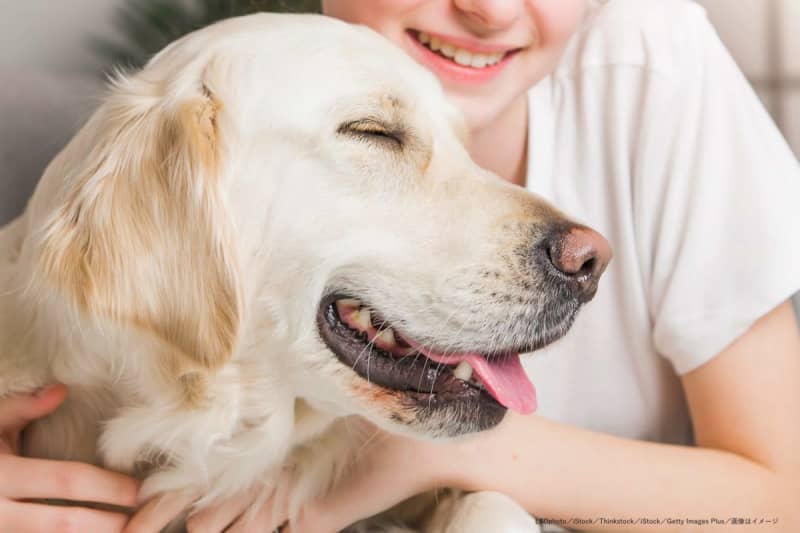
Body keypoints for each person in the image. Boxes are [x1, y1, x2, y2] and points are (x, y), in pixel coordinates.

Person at [2, 1, 799, 532]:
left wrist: (459, 456)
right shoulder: (239, 116)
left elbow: (782, 495)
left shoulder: (646, 63)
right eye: (379, 138)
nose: (488, 7)